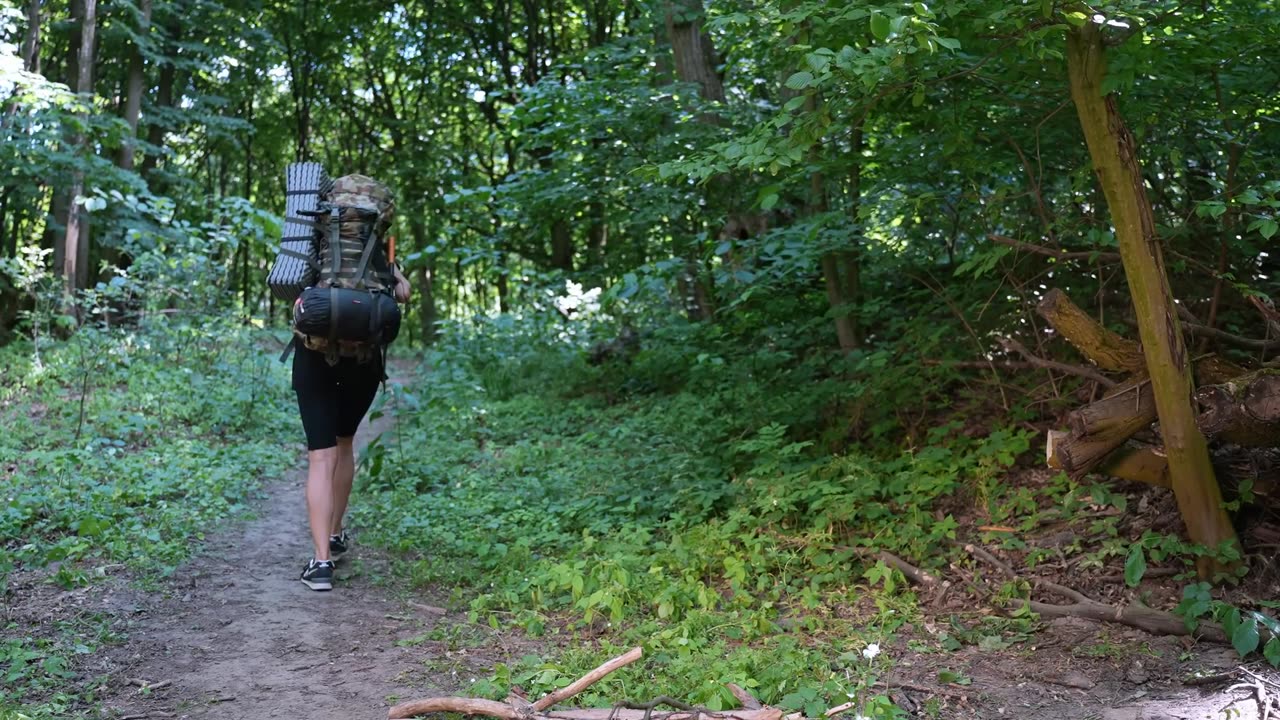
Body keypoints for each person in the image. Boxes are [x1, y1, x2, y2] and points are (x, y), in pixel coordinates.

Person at [293, 177, 411, 591]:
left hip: (313, 356)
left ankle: (320, 562)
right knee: (345, 444)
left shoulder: (315, 242)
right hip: (363, 360)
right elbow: (404, 295)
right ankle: (338, 532)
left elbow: (289, 289)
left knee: (320, 456)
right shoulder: (380, 251)